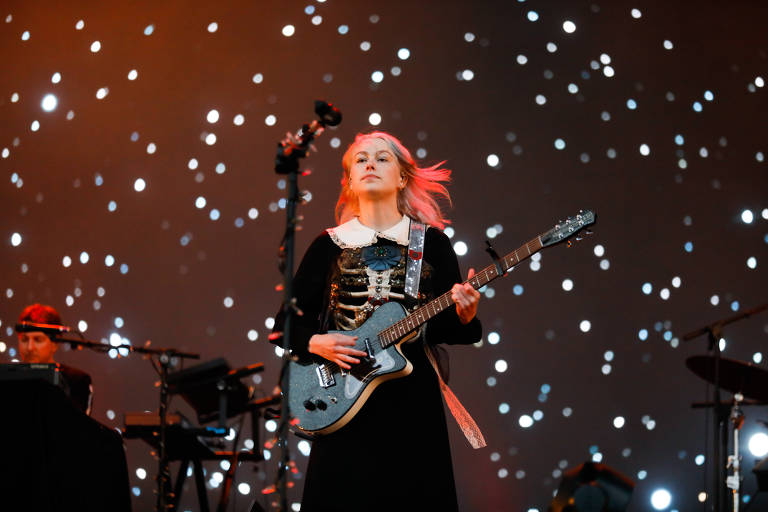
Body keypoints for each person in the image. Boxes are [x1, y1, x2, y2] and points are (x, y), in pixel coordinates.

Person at [273, 131, 482, 512]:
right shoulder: (328, 245)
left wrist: (465, 314)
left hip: (411, 404)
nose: (370, 163)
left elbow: (448, 328)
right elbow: (285, 325)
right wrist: (316, 342)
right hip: (342, 398)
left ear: (403, 176)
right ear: (349, 180)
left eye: (382, 158)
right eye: (361, 159)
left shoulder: (432, 244)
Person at [17, 303, 93, 415]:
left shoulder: (76, 380)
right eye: (24, 339)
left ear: (55, 343)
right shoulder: (8, 378)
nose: (30, 347)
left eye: (38, 340)